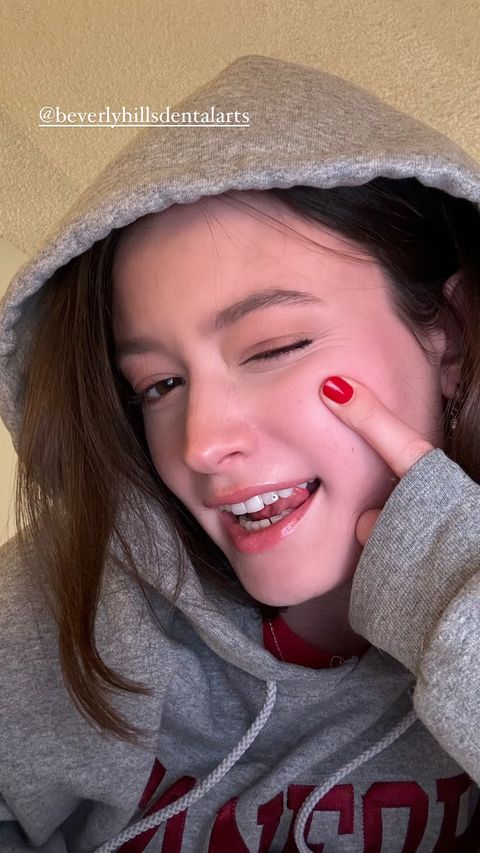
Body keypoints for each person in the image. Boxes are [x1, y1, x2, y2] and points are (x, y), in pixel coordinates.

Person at [0, 55, 479, 852]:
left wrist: (459, 588)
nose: (201, 443)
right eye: (158, 385)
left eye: (273, 347)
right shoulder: (56, 601)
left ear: (451, 336)